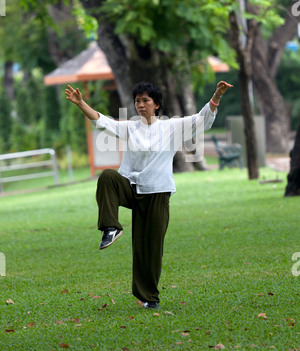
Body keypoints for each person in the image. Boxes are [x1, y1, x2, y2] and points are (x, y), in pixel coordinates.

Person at [65, 80, 233, 309]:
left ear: (157, 104)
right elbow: (102, 122)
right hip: (130, 187)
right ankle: (111, 227)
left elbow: (201, 120)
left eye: (145, 100)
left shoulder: (172, 127)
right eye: (137, 101)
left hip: (157, 192)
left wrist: (217, 96)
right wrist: (81, 103)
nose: (140, 105)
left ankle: (149, 298)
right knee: (107, 177)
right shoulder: (130, 127)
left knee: (149, 249)